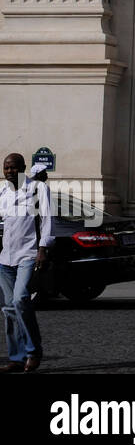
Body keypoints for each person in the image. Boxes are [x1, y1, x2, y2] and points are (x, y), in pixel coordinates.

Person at [0, 153, 52, 372]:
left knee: (21, 299)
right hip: (4, 258)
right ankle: (17, 357)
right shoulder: (2, 192)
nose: (10, 171)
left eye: (13, 167)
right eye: (6, 167)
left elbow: (48, 219)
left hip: (28, 254)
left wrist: (43, 248)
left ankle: (33, 351)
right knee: (8, 308)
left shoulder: (38, 189)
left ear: (22, 168)